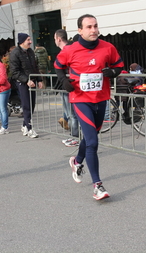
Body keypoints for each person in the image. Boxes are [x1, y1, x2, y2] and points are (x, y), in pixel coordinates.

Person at [54, 14, 124, 200]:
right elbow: (58, 66)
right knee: (92, 142)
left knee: (91, 136)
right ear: (79, 31)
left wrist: (112, 72)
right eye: (89, 27)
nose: (93, 30)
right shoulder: (71, 50)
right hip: (80, 99)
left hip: (101, 98)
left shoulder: (108, 47)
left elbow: (118, 65)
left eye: (95, 26)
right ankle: (98, 186)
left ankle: (77, 161)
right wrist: (63, 81)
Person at [9, 33, 43, 138]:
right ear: (22, 41)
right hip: (22, 82)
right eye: (28, 40)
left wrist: (39, 79)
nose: (30, 42)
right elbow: (14, 71)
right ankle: (29, 128)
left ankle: (25, 124)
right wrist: (26, 80)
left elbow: (35, 67)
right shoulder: (15, 53)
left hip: (32, 81)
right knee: (26, 105)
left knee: (32, 105)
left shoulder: (30, 52)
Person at [54, 29, 80, 147]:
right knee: (69, 114)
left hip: (70, 86)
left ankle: (75, 137)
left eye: (54, 39)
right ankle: (73, 136)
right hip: (65, 85)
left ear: (59, 39)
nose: (54, 41)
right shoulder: (66, 50)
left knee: (72, 114)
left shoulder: (69, 50)